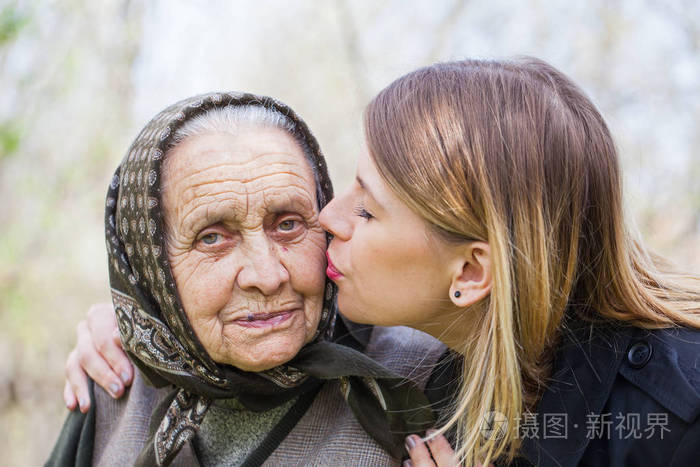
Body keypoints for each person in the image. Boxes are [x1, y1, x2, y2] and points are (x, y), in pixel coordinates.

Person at [64, 58, 700, 466]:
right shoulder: (115, 386)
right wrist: (134, 319)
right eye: (212, 238)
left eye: (366, 211)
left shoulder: (413, 392)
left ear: (473, 274)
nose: (327, 220)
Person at [47, 92, 445, 467]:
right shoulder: (112, 383)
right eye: (213, 238)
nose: (267, 276)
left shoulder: (427, 376)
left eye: (288, 225)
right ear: (149, 269)